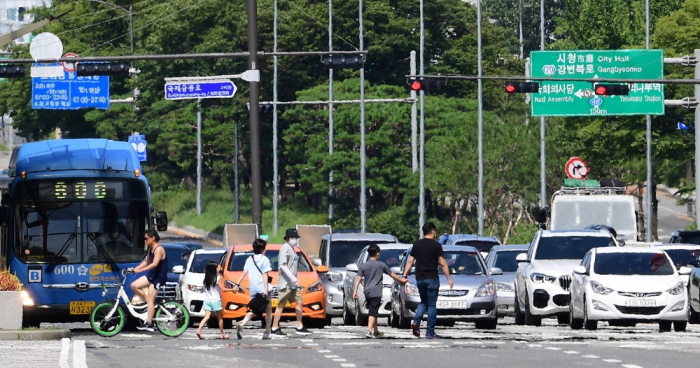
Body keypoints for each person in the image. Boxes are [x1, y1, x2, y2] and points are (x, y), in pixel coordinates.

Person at [402, 222, 453, 339]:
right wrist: (449, 278)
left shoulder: (417, 245)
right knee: (431, 306)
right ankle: (430, 332)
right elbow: (443, 263)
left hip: (419, 278)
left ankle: (416, 322)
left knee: (423, 302)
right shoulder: (436, 246)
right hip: (432, 278)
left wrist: (404, 275)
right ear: (433, 231)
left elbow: (410, 262)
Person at [353, 244, 407, 338]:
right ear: (377, 254)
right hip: (376, 291)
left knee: (373, 310)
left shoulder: (363, 265)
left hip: (367, 291)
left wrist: (355, 291)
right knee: (373, 312)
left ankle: (376, 331)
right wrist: (401, 281)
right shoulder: (381, 265)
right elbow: (392, 274)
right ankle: (369, 331)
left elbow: (358, 279)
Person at [232, 238, 273, 340]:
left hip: (253, 288)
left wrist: (237, 284)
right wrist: (266, 289)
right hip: (263, 288)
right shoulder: (265, 260)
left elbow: (244, 273)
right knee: (268, 311)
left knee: (255, 309)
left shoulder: (249, 259)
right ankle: (267, 332)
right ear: (263, 249)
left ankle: (242, 324)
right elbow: (265, 275)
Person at [271, 228, 309, 335]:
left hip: (292, 284)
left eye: (296, 237)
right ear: (287, 238)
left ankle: (299, 325)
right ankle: (274, 327)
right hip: (286, 282)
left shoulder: (292, 249)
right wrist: (292, 277)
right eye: (293, 237)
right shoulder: (285, 248)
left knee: (299, 301)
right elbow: (282, 265)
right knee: (281, 304)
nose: (295, 239)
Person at [128, 229, 167, 332]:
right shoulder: (150, 250)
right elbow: (146, 262)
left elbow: (154, 264)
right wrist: (135, 269)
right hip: (151, 276)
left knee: (150, 300)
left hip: (158, 278)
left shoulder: (159, 249)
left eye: (146, 238)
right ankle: (149, 301)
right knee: (134, 285)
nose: (145, 241)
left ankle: (149, 323)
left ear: (153, 238)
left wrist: (141, 270)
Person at [195, 261, 229, 340]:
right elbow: (223, 289)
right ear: (214, 269)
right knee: (220, 318)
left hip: (207, 300)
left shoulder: (206, 278)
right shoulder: (217, 278)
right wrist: (232, 289)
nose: (218, 269)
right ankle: (221, 334)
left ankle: (199, 330)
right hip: (216, 300)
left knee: (206, 317)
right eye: (217, 268)